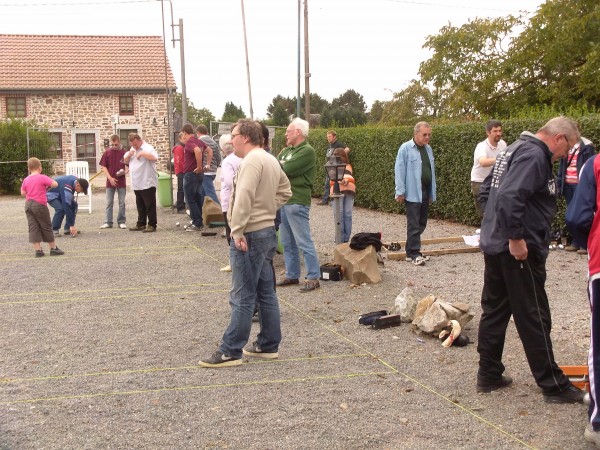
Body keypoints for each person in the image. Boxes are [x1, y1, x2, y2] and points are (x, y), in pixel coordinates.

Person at [476, 116, 585, 404]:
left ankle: (488, 373)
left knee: (495, 310)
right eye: (567, 148)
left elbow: (488, 191)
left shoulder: (513, 149)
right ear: (558, 138)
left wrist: (494, 227)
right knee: (534, 313)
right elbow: (510, 195)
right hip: (517, 250)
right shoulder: (535, 155)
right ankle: (553, 385)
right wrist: (515, 237)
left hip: (496, 244)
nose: (564, 156)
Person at [199, 119, 291, 368]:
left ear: (246, 138)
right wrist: (268, 210)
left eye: (235, 134)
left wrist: (237, 231)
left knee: (242, 294)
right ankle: (267, 345)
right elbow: (286, 191)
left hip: (250, 234)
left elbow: (244, 197)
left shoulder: (251, 161)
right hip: (266, 231)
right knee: (265, 291)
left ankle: (230, 350)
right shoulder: (269, 158)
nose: (231, 139)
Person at [565, 154, 600, 446]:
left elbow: (577, 217)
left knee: (598, 346)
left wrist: (588, 243)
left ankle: (598, 423)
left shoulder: (596, 164)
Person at [277, 117, 321, 292]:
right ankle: (292, 274)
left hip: (297, 201)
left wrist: (281, 164)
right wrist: (281, 163)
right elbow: (276, 164)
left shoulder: (307, 151)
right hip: (284, 201)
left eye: (288, 131)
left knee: (303, 240)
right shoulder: (288, 150)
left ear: (298, 132)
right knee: (287, 241)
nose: (286, 134)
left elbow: (284, 169)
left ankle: (313, 277)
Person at [394, 122, 437, 266]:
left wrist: (432, 193)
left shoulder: (428, 149)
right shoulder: (405, 148)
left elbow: (430, 170)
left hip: (425, 190)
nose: (427, 137)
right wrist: (400, 191)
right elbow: (399, 170)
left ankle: (410, 251)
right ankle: (414, 253)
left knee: (422, 222)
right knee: (413, 223)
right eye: (424, 134)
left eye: (429, 134)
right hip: (412, 191)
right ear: (416, 134)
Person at [557, 135, 596, 252]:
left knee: (584, 213)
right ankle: (575, 242)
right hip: (568, 183)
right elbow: (561, 166)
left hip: (580, 184)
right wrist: (560, 182)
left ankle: (585, 244)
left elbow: (590, 166)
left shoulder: (587, 146)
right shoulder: (566, 145)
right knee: (571, 213)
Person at [20, 157, 64, 256]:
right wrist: (46, 186)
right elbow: (55, 184)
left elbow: (23, 192)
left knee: (33, 227)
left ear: (29, 169)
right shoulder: (42, 177)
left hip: (28, 204)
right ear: (40, 168)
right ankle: (53, 248)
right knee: (46, 225)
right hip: (39, 204)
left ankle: (38, 250)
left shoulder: (26, 179)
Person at [470, 120, 506, 218]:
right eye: (495, 131)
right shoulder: (481, 146)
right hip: (480, 183)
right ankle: (485, 232)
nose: (498, 133)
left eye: (500, 131)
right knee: (485, 214)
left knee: (497, 212)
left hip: (495, 182)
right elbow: (483, 162)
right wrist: (500, 159)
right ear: (488, 132)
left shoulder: (502, 144)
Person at [124, 133, 158, 233]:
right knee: (140, 205)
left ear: (139, 140)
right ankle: (141, 223)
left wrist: (142, 154)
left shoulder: (147, 148)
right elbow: (125, 161)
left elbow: (155, 157)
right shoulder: (132, 149)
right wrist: (129, 156)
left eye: (136, 144)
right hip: (136, 182)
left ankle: (152, 224)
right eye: (132, 145)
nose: (134, 146)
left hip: (147, 181)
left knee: (150, 204)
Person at [218, 133, 242, 272]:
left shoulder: (228, 161)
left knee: (231, 232)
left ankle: (234, 262)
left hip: (230, 201)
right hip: (238, 199)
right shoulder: (242, 158)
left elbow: (228, 180)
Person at [180, 124, 208, 232]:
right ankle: (198, 221)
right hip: (198, 175)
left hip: (191, 173)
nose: (184, 138)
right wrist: (207, 164)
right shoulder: (199, 141)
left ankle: (197, 223)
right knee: (197, 199)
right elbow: (209, 150)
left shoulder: (190, 142)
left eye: (183, 135)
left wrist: (199, 166)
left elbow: (198, 151)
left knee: (190, 199)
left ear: (185, 133)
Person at [99, 134, 127, 229]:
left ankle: (121, 221)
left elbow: (128, 166)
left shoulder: (124, 153)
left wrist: (125, 172)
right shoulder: (107, 152)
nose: (114, 146)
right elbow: (103, 166)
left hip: (121, 180)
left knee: (122, 202)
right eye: (113, 145)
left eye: (116, 144)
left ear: (119, 142)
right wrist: (110, 178)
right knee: (109, 202)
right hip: (110, 181)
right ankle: (108, 221)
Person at [330, 148, 355, 243]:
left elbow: (350, 177)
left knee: (344, 214)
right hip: (343, 190)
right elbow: (332, 178)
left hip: (348, 190)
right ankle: (341, 237)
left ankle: (343, 238)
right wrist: (342, 180)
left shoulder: (348, 166)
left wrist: (344, 180)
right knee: (343, 214)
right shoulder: (332, 165)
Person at [318, 130, 350, 205]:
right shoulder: (330, 145)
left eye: (329, 136)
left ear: (334, 137)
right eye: (327, 137)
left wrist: (340, 158)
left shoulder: (338, 144)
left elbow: (347, 149)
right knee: (327, 184)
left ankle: (330, 200)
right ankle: (326, 200)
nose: (328, 138)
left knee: (333, 183)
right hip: (330, 167)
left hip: (336, 168)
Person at [196, 124, 220, 206]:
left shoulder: (199, 142)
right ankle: (203, 214)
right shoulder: (214, 142)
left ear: (198, 132)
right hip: (213, 171)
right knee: (202, 194)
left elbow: (198, 156)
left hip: (205, 171)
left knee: (210, 194)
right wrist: (215, 166)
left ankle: (220, 212)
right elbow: (218, 157)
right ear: (207, 132)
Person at [172, 132, 186, 214]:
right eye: (184, 138)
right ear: (180, 139)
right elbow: (179, 161)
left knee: (182, 188)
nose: (185, 140)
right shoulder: (179, 148)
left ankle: (180, 203)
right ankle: (180, 207)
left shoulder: (182, 147)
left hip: (181, 170)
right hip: (181, 171)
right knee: (181, 189)